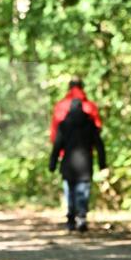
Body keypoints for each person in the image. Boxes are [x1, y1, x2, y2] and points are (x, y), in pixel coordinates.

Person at [49, 77, 106, 232]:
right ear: (83, 86)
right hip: (85, 159)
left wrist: (53, 161)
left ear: (69, 87)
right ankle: (82, 217)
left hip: (66, 158)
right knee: (83, 189)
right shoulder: (90, 107)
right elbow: (98, 136)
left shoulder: (60, 106)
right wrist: (102, 163)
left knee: (69, 189)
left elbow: (55, 136)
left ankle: (70, 218)